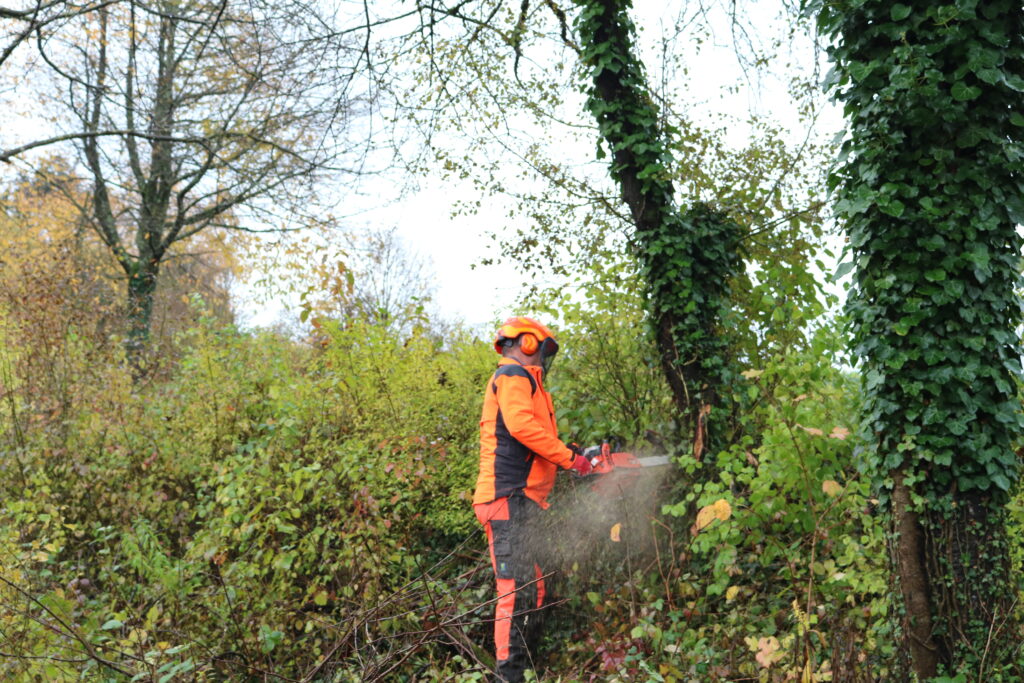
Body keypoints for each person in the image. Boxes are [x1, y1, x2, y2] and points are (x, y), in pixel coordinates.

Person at [472, 316, 593, 682]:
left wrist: (571, 453)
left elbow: (535, 433)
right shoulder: (513, 375)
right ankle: (508, 675)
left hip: (522, 500)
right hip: (506, 497)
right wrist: (570, 459)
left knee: (533, 587)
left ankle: (525, 667)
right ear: (527, 343)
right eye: (542, 350)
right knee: (514, 590)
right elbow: (522, 427)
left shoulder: (526, 382)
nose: (543, 358)